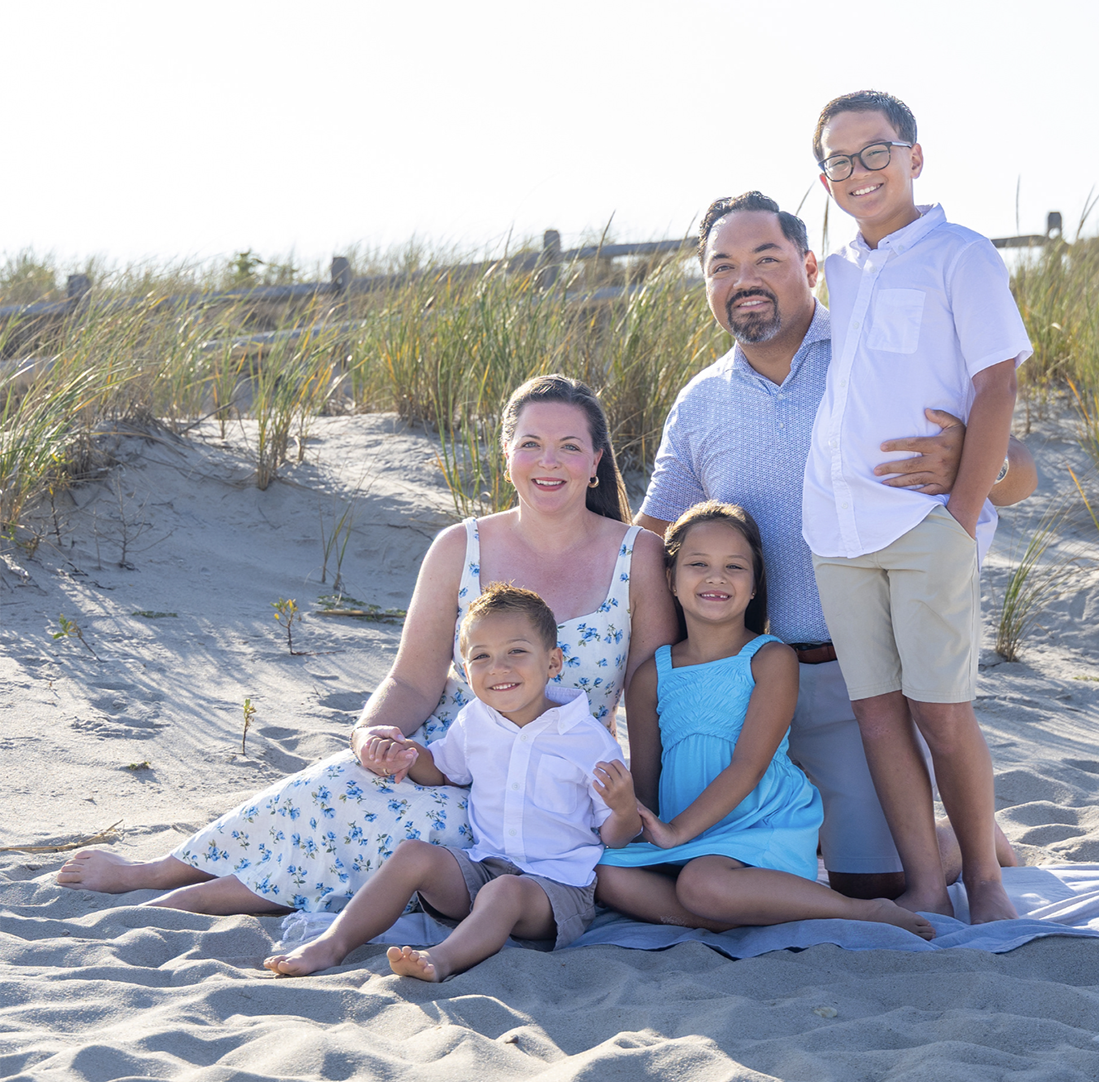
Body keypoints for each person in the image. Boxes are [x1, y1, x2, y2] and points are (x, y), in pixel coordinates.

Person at [56, 375, 677, 915]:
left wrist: (639, 806)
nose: (550, 461)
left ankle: (191, 902)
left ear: (596, 461)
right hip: (451, 750)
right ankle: (159, 871)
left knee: (391, 832)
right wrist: (370, 737)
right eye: (531, 444)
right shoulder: (462, 547)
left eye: (570, 447)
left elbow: (652, 697)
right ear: (507, 454)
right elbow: (413, 680)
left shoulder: (637, 556)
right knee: (331, 784)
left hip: (552, 785)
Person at [635, 190, 1036, 901]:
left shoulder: (869, 352)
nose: (744, 279)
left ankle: (975, 846)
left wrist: (972, 465)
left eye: (766, 257)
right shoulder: (700, 401)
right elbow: (652, 536)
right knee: (707, 871)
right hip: (750, 685)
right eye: (721, 266)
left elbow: (1022, 473)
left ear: (811, 265)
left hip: (856, 683)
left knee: (870, 883)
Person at [804, 89, 1033, 923]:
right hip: (837, 527)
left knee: (941, 712)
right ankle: (926, 883)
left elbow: (997, 383)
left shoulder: (960, 255)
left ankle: (986, 879)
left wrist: (963, 512)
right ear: (823, 177)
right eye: (840, 159)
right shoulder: (839, 272)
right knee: (876, 718)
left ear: (914, 156)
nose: (860, 172)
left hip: (925, 524)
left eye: (877, 151)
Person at [264, 583, 643, 978]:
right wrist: (410, 754)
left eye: (517, 651)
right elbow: (444, 770)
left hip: (555, 888)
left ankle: (441, 959)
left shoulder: (587, 739)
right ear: (465, 669)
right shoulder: (475, 721)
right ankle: (331, 944)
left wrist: (623, 807)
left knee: (505, 893)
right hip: (483, 867)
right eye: (482, 656)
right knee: (413, 854)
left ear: (553, 662)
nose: (499, 667)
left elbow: (615, 835)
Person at [596, 502, 933, 939]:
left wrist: (677, 833)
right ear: (670, 579)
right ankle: (726, 911)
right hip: (681, 834)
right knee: (604, 874)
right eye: (698, 564)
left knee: (703, 884)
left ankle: (857, 910)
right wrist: (640, 822)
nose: (716, 578)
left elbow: (748, 767)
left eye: (734, 567)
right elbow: (646, 779)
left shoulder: (769, 658)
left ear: (754, 586)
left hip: (758, 826)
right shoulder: (650, 676)